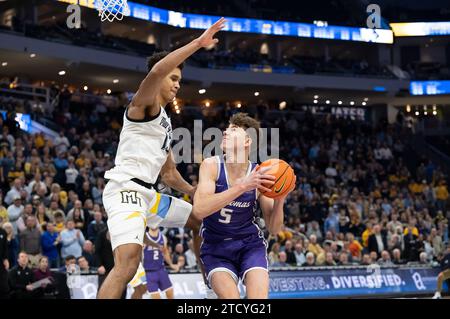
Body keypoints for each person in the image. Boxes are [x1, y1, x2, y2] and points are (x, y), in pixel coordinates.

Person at [97, 18, 226, 299]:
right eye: (174, 78)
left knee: (199, 220)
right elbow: (157, 70)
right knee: (128, 263)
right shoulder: (143, 104)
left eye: (180, 80)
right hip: (125, 190)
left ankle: (210, 291)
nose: (178, 85)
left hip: (149, 195)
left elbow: (168, 174)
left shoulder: (165, 122)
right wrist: (197, 43)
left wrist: (196, 192)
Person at [193, 113, 296, 299]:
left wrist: (280, 198)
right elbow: (200, 209)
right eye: (227, 128)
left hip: (249, 244)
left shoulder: (259, 173)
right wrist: (243, 186)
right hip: (216, 247)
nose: (225, 131)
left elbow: (274, 227)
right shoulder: (211, 165)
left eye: (233, 129)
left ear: (248, 141)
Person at [0, 225, 8, 299]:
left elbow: (5, 247)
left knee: (3, 286)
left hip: (1, 261)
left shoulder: (3, 232)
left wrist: (6, 259)